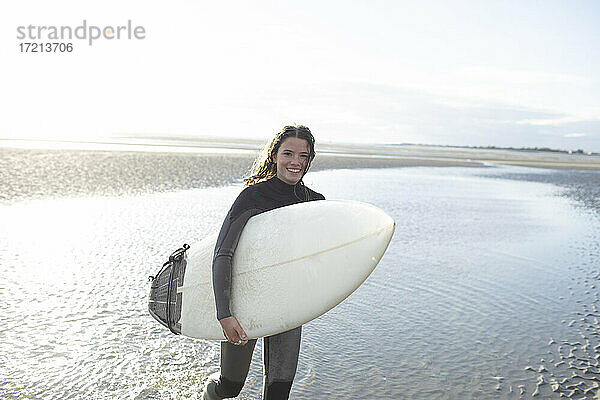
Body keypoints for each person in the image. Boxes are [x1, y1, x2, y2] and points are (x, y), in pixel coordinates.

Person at [202, 125, 325, 400]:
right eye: (288, 153)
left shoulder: (315, 204)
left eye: (303, 156)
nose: (296, 162)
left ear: (309, 160)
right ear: (274, 156)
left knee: (278, 394)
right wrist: (225, 313)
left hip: (288, 308)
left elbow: (321, 261)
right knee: (229, 387)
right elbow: (223, 253)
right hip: (246, 302)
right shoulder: (253, 197)